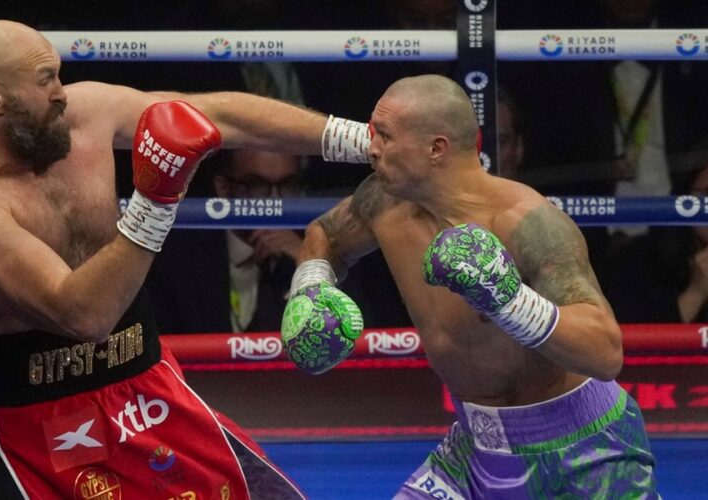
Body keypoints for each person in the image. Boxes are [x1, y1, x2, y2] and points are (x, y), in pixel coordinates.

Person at [0, 19, 371, 500]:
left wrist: (361, 142)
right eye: (46, 78)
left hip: (146, 390)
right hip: (27, 426)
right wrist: (155, 203)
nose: (61, 92)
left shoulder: (85, 114)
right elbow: (81, 314)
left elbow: (219, 116)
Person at [279, 75, 657, 498]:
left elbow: (606, 353)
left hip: (583, 448)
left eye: (384, 135)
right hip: (475, 449)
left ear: (436, 148)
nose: (371, 148)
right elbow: (325, 235)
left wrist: (510, 301)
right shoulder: (382, 201)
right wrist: (311, 284)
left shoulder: (526, 222)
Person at [150, 148, 304, 334]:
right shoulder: (176, 257)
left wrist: (309, 262)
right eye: (257, 185)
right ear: (222, 187)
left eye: (287, 185)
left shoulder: (312, 247)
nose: (274, 201)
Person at [606, 144, 708, 323]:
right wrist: (696, 293)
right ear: (684, 194)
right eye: (707, 193)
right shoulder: (638, 261)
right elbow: (631, 346)